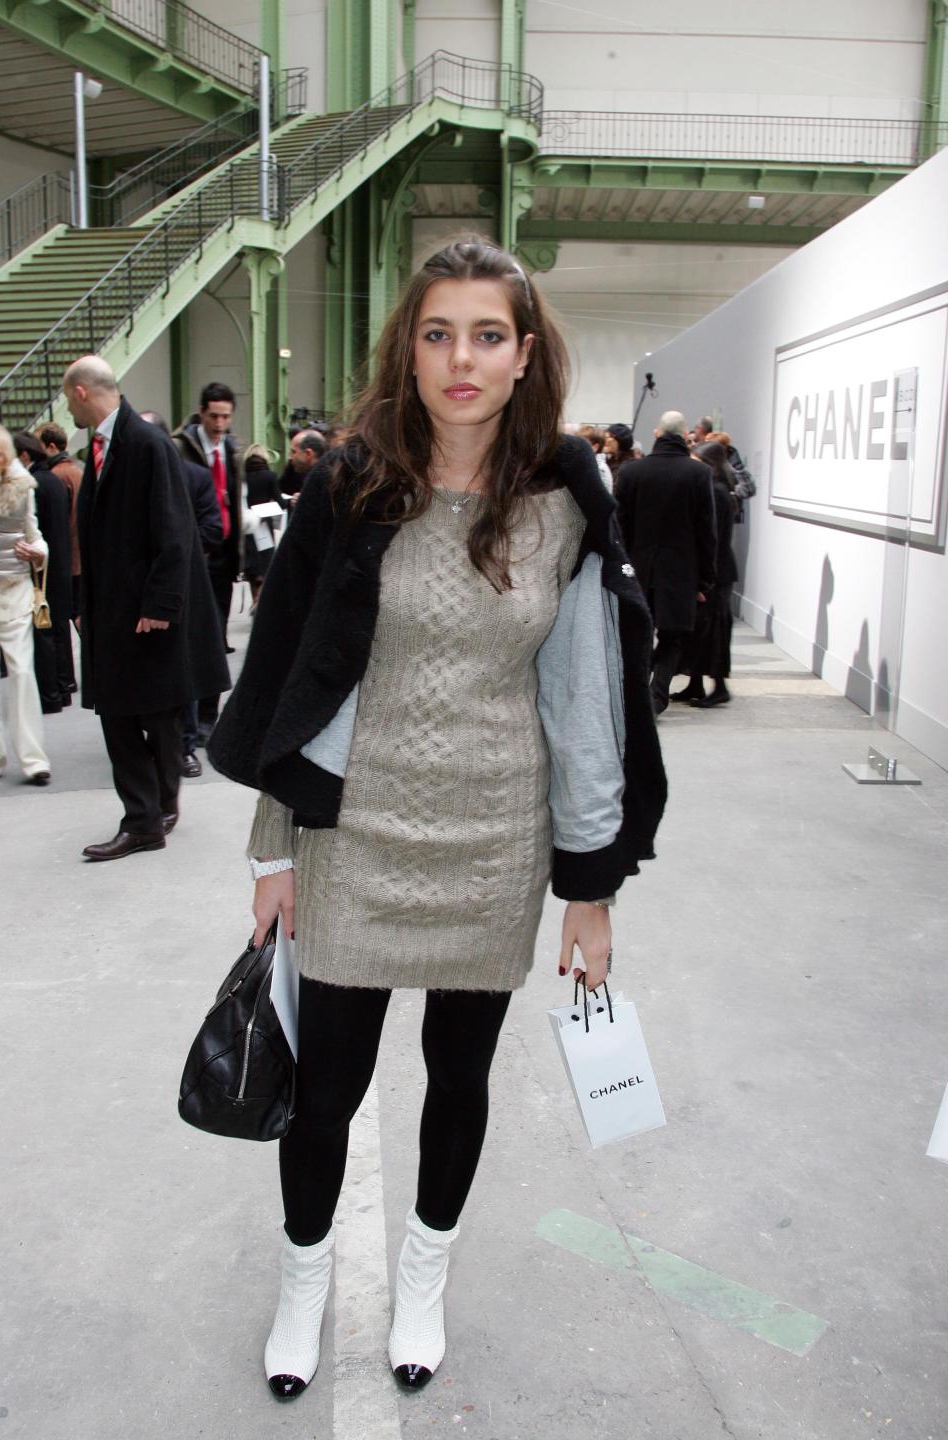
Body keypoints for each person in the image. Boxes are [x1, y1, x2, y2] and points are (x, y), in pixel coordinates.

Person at [207, 235, 667, 1400]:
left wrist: (590, 885)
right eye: (438, 332)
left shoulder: (565, 495)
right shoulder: (351, 485)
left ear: (525, 355)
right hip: (355, 832)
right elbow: (297, 675)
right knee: (328, 1088)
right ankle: (305, 1282)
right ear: (407, 350)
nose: (462, 359)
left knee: (458, 1082)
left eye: (489, 335)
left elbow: (583, 703)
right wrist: (274, 849)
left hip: (494, 839)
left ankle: (424, 1278)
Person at [64, 356, 230, 860]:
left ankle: (143, 821)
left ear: (81, 393)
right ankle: (154, 809)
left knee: (139, 714)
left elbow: (174, 530)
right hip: (114, 609)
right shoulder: (106, 444)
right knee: (136, 713)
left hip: (139, 611)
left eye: (67, 396)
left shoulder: (144, 443)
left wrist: (160, 603)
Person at [614, 410, 716, 715]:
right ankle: (656, 696)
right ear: (686, 436)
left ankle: (635, 694)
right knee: (674, 636)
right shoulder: (698, 474)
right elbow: (706, 531)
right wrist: (705, 580)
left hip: (638, 568)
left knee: (638, 635)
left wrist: (620, 571)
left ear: (657, 434)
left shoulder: (632, 472)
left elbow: (619, 526)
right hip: (682, 571)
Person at [140, 410, 223, 780]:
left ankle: (185, 748)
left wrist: (180, 555)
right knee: (148, 671)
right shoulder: (130, 480)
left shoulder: (193, 477)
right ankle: (156, 742)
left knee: (182, 670)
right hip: (138, 591)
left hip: (183, 587)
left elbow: (212, 528)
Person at [173, 383, 250, 743]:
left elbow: (237, 500)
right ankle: (186, 718)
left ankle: (207, 715)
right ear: (201, 413)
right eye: (214, 416)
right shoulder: (180, 451)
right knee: (191, 638)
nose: (220, 423)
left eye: (226, 416)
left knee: (216, 637)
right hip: (192, 554)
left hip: (222, 556)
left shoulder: (233, 451)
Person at [0, 423, 51, 785]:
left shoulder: (22, 489)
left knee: (23, 674)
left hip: (14, 591)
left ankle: (33, 759)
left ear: (7, 457)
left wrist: (38, 554)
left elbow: (36, 536)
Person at [13, 432, 74, 714]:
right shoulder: (53, 480)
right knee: (57, 629)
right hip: (60, 564)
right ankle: (63, 688)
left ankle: (50, 695)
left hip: (42, 569)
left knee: (43, 633)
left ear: (24, 456)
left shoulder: (33, 485)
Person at [675, 441, 738, 707]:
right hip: (711, 569)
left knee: (712, 629)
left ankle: (718, 687)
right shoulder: (715, 491)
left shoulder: (718, 493)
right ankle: (696, 683)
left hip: (716, 572)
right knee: (699, 628)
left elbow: (713, 540)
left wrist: (705, 576)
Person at [37, 422, 83, 620]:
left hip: (69, 558)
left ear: (51, 447)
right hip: (81, 554)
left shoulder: (56, 476)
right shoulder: (77, 469)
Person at [241, 443, 284, 607]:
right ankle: (261, 601)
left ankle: (255, 598)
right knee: (265, 563)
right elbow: (280, 503)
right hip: (264, 525)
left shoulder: (243, 477)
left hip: (247, 525)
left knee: (252, 565)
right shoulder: (270, 476)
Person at [279, 428, 327, 502]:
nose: (290, 457)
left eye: (294, 452)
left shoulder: (329, 479)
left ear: (308, 453)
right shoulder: (316, 475)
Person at [576, 424, 613, 491]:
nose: (576, 447)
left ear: (595, 447)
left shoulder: (599, 469)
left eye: (582, 444)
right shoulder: (586, 464)